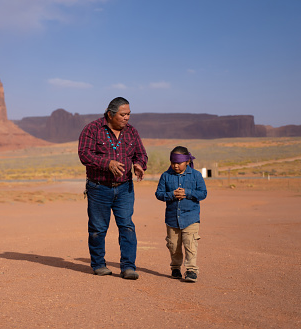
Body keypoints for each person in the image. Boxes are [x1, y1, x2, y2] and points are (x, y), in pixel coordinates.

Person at [78, 97, 148, 280]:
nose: (127, 118)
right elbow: (84, 154)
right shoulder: (92, 129)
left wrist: (139, 165)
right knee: (98, 229)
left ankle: (128, 267)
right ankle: (99, 264)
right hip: (99, 188)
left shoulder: (132, 132)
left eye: (129, 114)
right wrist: (106, 163)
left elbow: (141, 153)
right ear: (110, 114)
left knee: (127, 226)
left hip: (125, 188)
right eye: (123, 114)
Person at [155, 146, 207, 282]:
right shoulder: (166, 176)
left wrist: (187, 193)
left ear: (187, 162)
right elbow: (159, 194)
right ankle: (175, 268)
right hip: (172, 218)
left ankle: (191, 270)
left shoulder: (196, 175)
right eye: (173, 162)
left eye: (179, 163)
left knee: (190, 244)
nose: (175, 165)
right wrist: (172, 194)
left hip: (191, 217)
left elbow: (203, 193)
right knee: (174, 246)